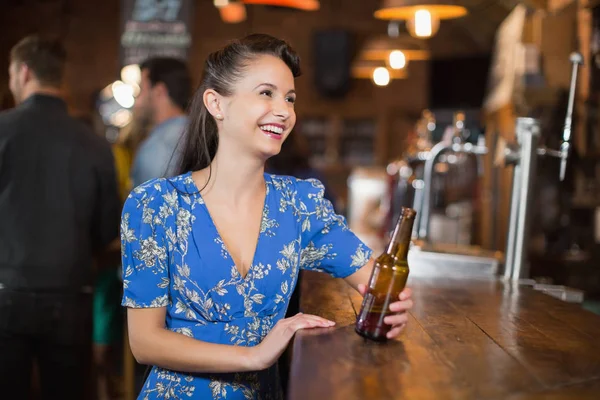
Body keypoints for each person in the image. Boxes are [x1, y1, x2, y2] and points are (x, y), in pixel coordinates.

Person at [121, 33, 414, 400]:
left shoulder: (299, 204)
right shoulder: (154, 205)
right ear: (216, 103)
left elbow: (377, 280)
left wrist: (390, 309)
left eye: (290, 98)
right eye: (266, 93)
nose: (284, 111)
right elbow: (145, 342)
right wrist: (254, 355)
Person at [0, 35, 121, 399]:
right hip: (72, 295)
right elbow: (107, 232)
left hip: (5, 293)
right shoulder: (96, 145)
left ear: (22, 73)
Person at [130, 56, 191, 187]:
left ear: (159, 91)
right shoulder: (203, 134)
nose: (137, 102)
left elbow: (151, 205)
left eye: (141, 90)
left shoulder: (158, 146)